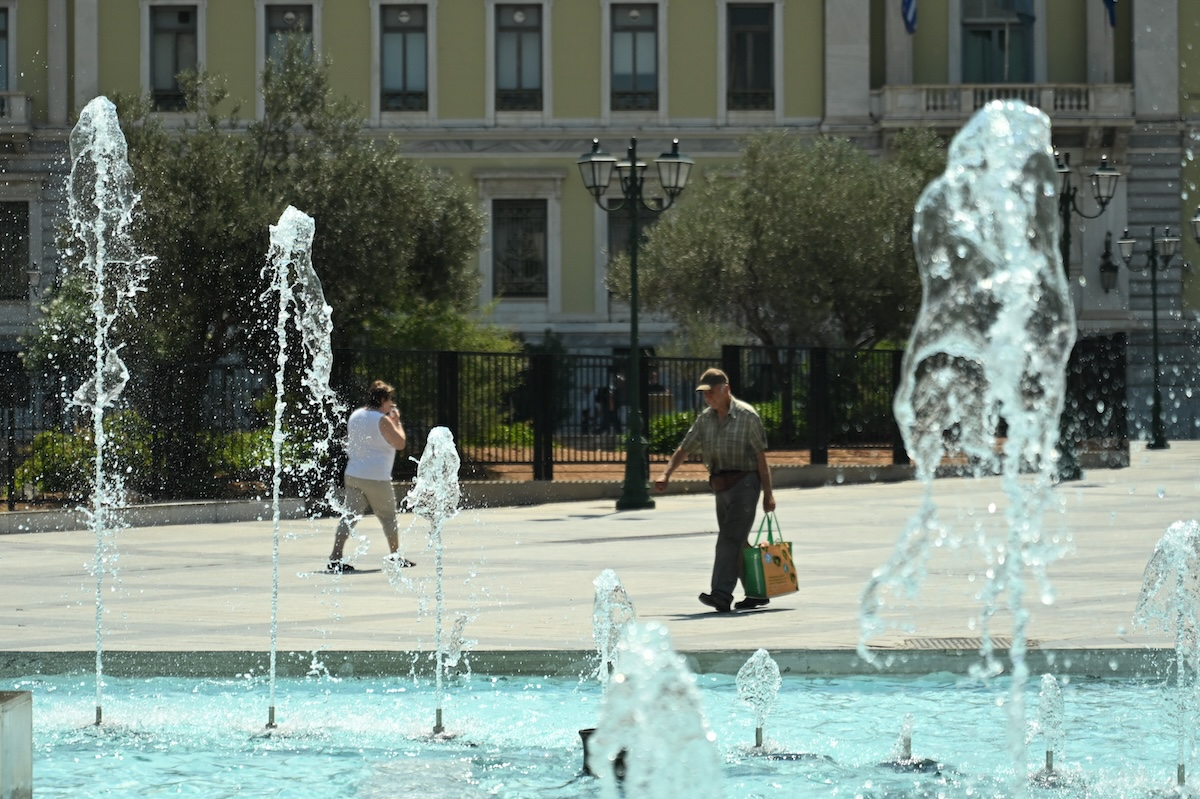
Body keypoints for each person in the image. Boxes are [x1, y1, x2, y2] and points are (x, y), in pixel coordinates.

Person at [653, 368, 775, 613]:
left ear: (725, 390)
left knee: (728, 539)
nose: (707, 398)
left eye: (711, 393)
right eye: (704, 394)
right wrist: (666, 473)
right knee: (737, 542)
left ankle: (721, 594)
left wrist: (768, 493)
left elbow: (761, 459)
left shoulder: (747, 417)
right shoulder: (705, 419)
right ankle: (758, 591)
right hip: (721, 486)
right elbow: (684, 449)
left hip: (746, 484)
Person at [326, 380, 416, 573]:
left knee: (349, 516)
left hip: (354, 473)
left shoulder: (356, 415)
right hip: (376, 477)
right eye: (390, 399)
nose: (391, 404)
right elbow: (400, 443)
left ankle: (335, 557)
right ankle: (395, 556)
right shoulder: (381, 419)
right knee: (388, 517)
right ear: (382, 399)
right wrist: (397, 421)